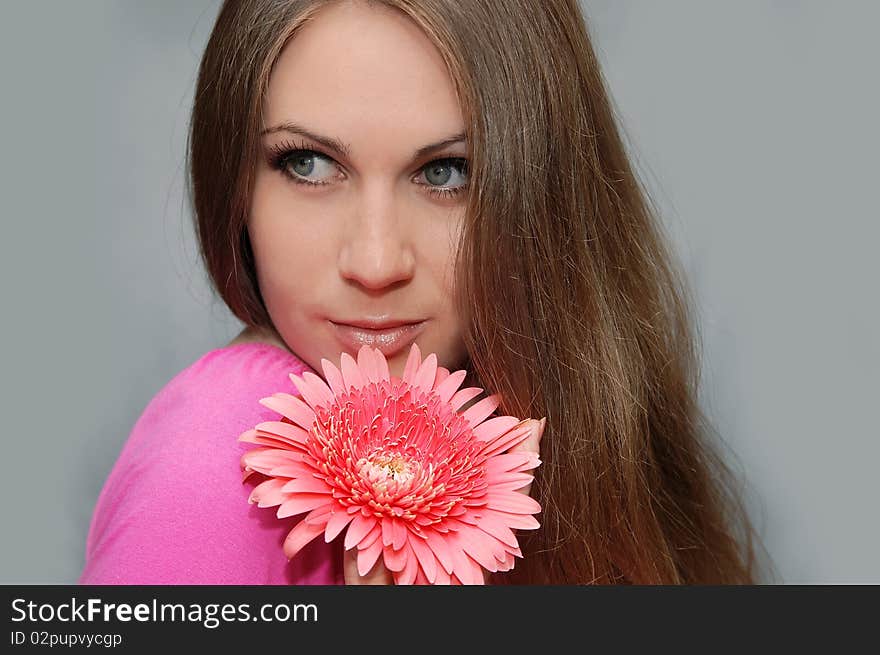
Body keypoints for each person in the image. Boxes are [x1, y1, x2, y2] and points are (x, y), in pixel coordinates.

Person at [79, 0, 768, 585]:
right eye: (308, 163)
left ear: (546, 198)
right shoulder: (221, 458)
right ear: (235, 185)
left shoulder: (557, 443)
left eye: (445, 173)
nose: (376, 262)